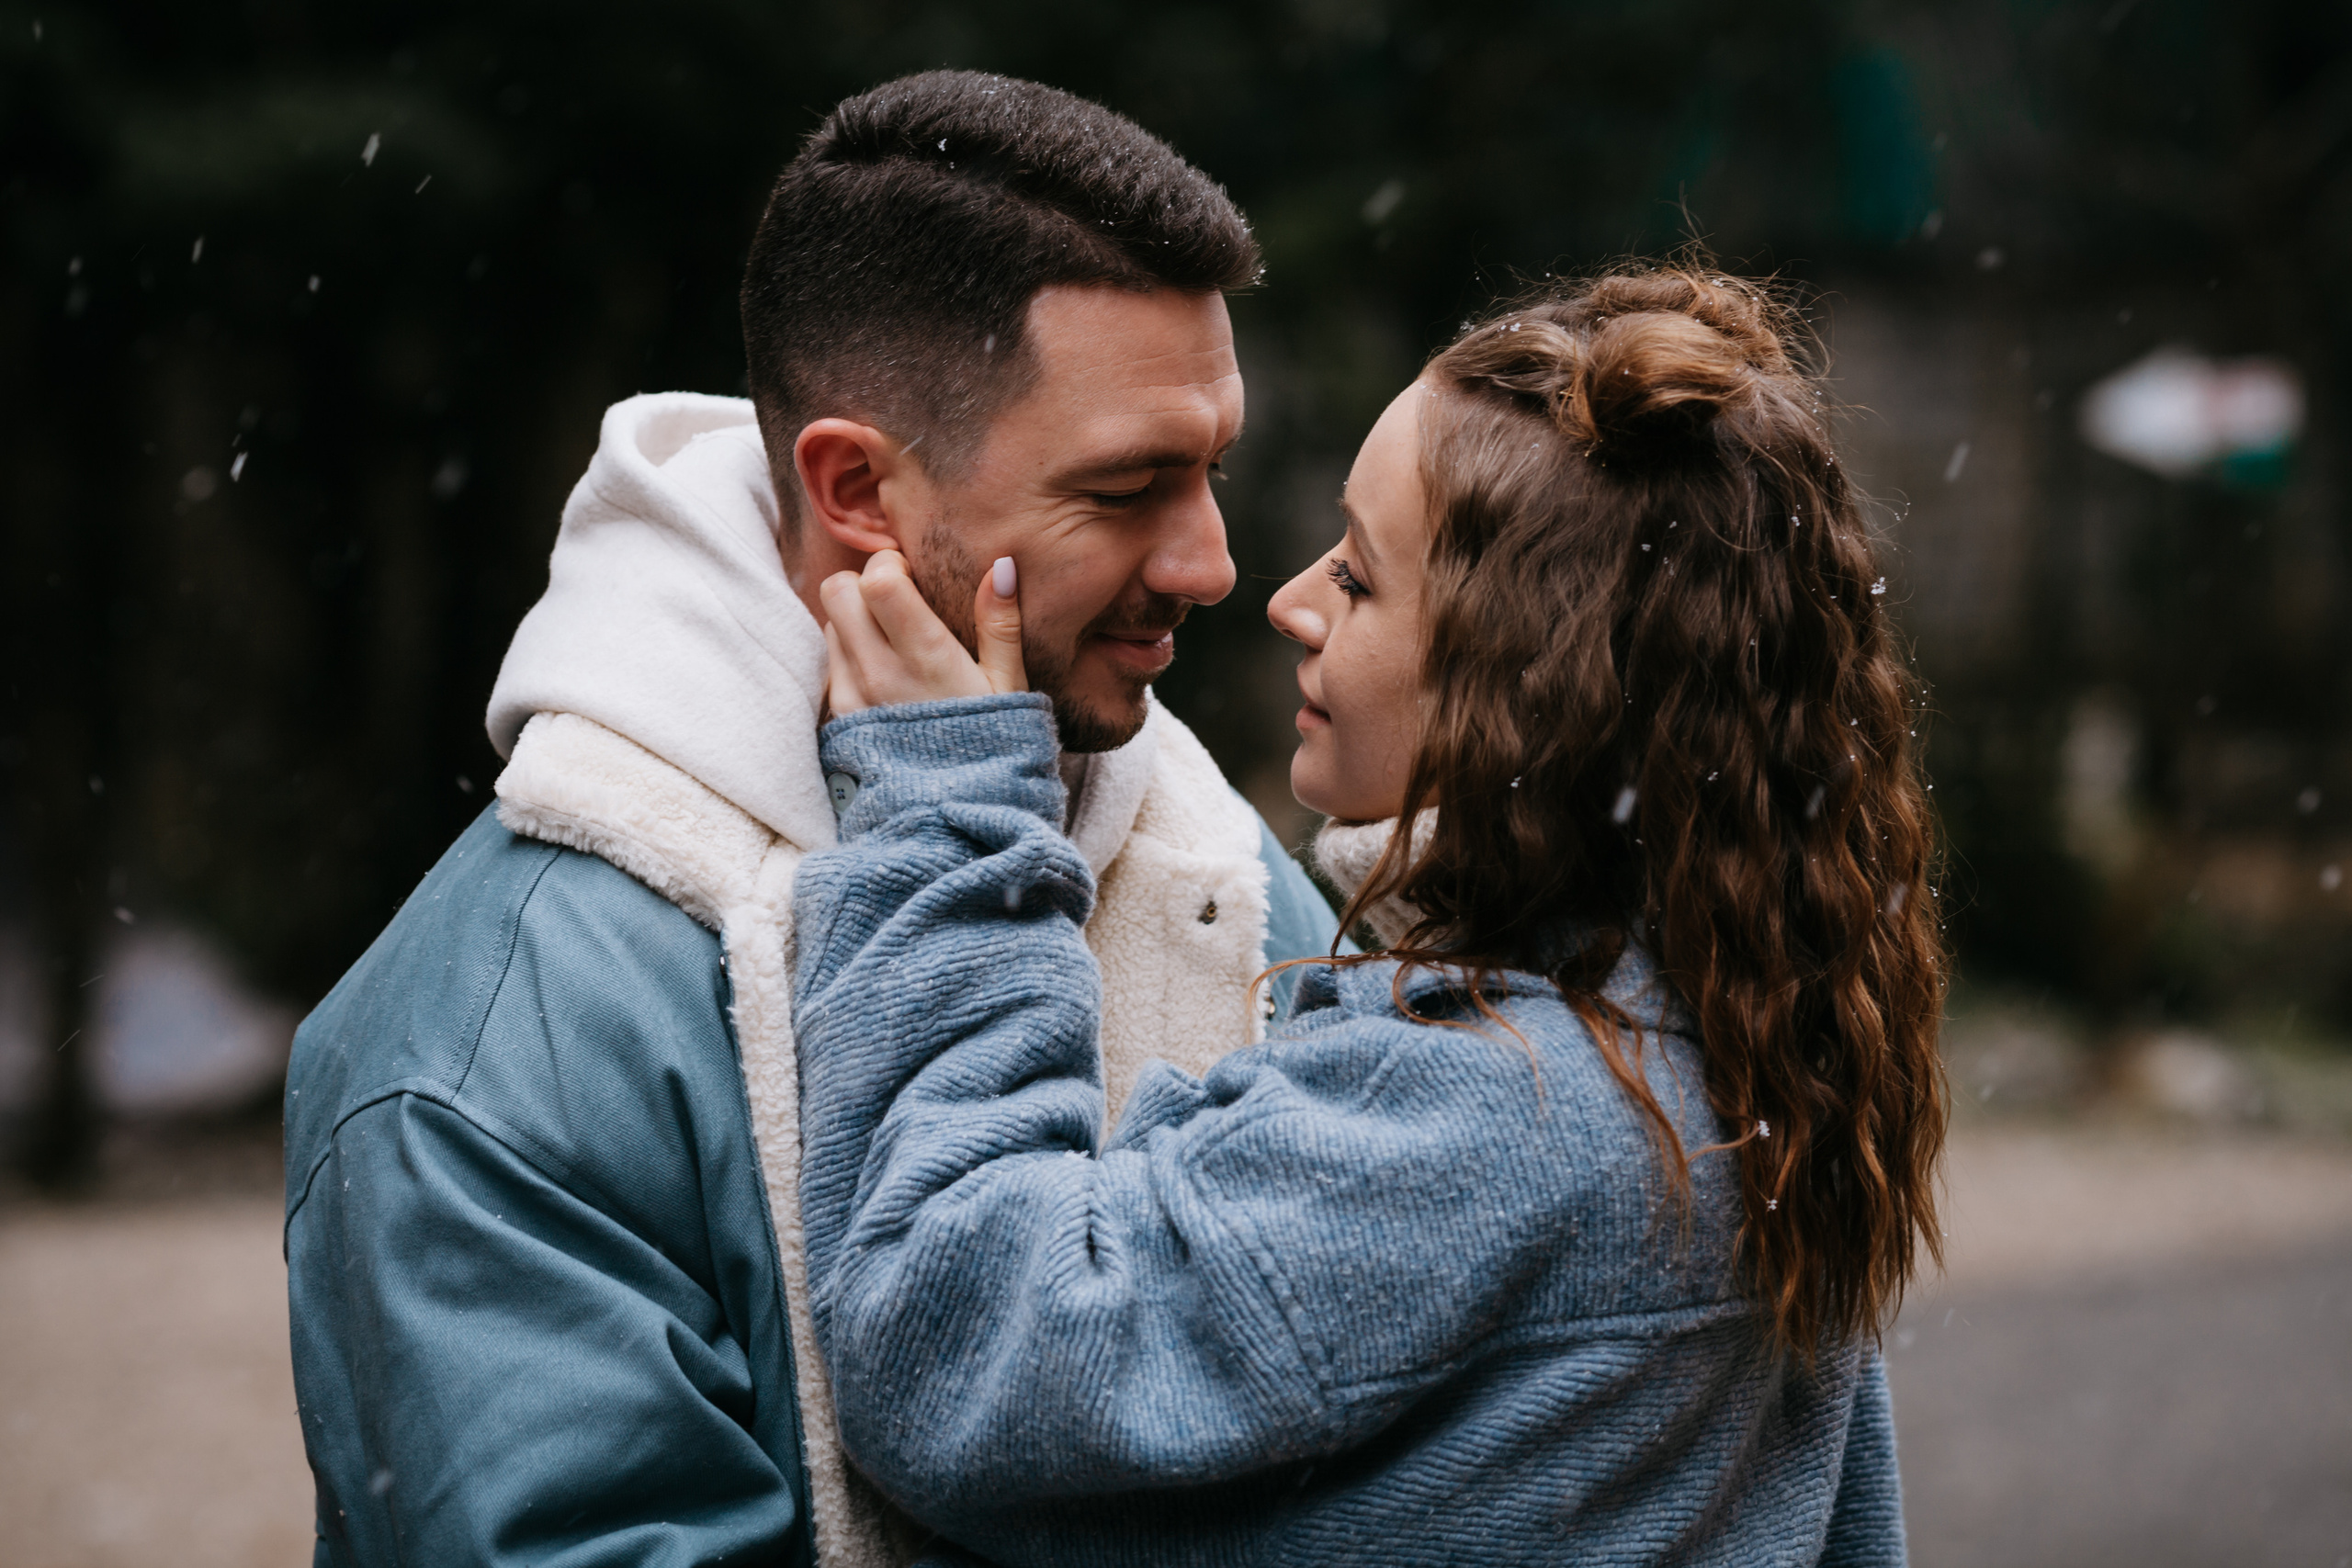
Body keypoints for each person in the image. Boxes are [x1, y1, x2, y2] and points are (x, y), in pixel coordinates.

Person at [282, 72, 1344, 1568]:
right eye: (1129, 487)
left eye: (1213, 471)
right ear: (854, 485)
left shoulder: (1244, 901)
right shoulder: (490, 1046)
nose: (1215, 563)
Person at [794, 263, 1949, 1565]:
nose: (1285, 597)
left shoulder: (1492, 1115)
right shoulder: (1732, 1063)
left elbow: (959, 1358)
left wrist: (953, 813)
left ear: (1523, 674)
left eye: (1357, 575)